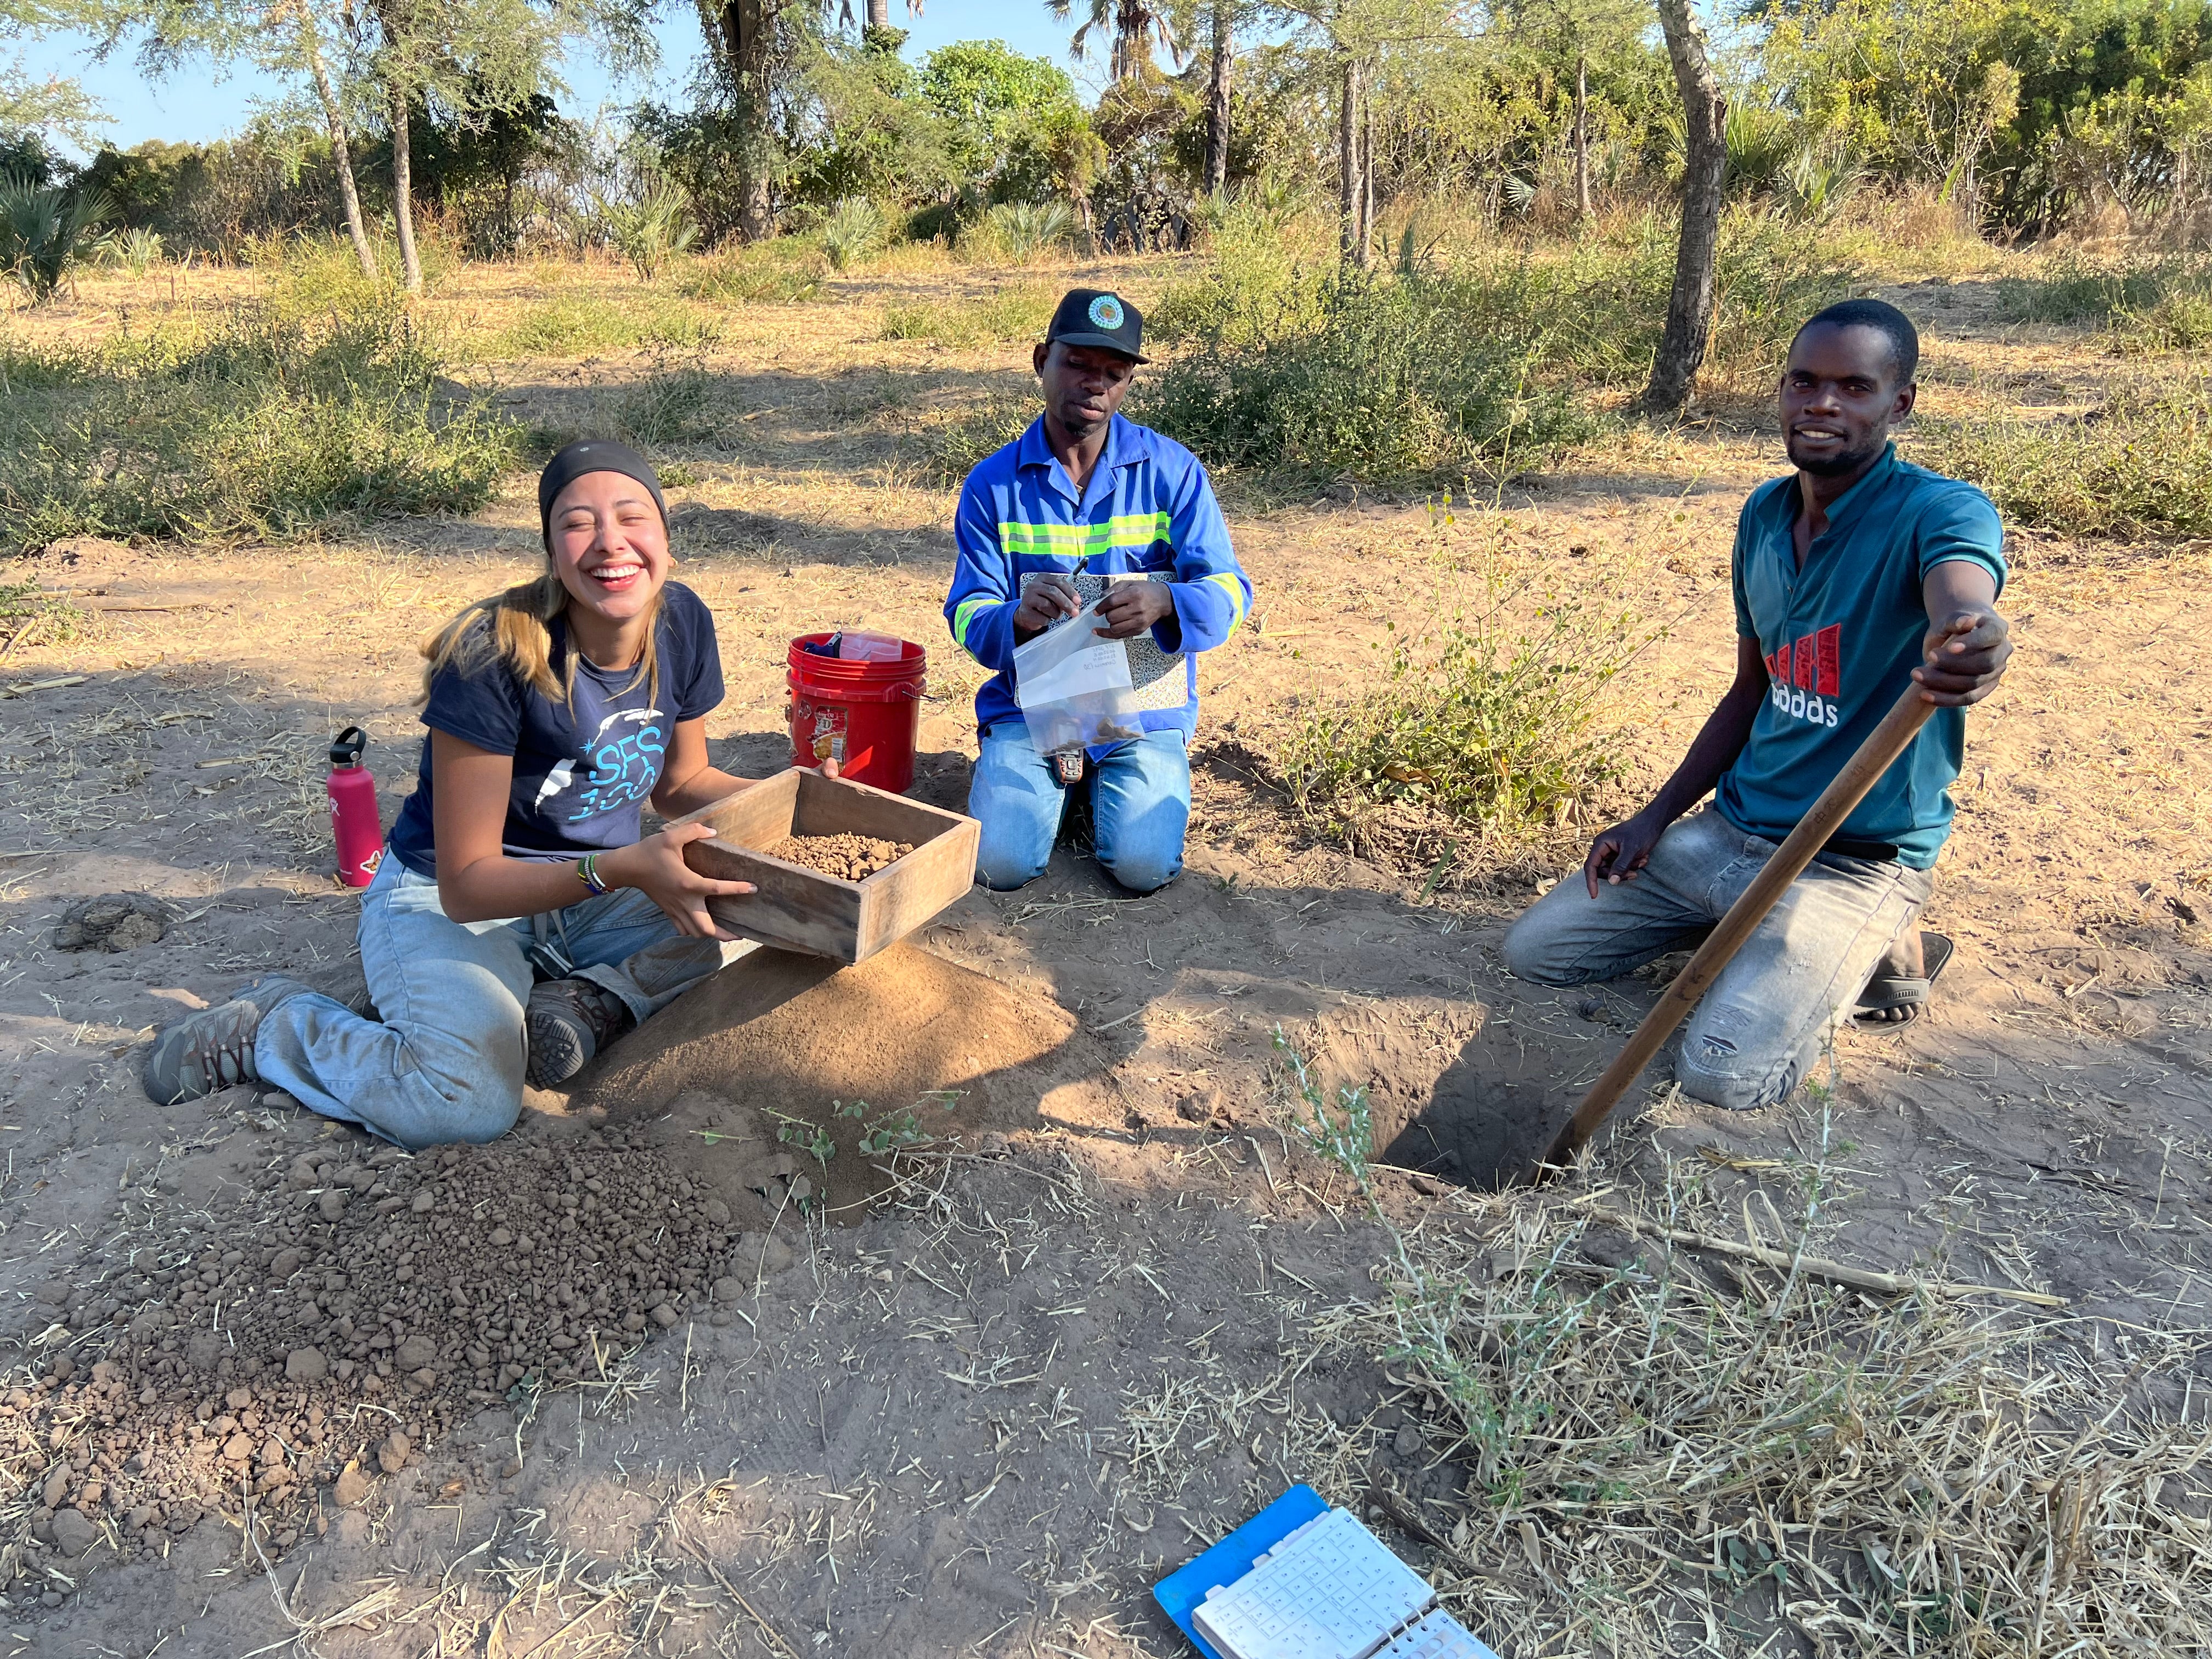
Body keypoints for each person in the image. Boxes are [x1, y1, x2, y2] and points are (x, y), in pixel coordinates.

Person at [142, 440, 774, 1148]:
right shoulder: (493, 654)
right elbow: (468, 888)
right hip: (456, 896)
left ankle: (587, 1002)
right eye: (577, 523)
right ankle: (282, 1025)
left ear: (664, 535)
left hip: (597, 896)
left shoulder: (682, 621)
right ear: (551, 549)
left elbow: (684, 783)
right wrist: (621, 869)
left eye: (632, 517)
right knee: (462, 1107)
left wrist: (796, 792)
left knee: (768, 930)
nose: (609, 543)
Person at [1502, 298, 2013, 1111]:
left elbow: (1964, 592)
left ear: (1899, 403)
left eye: (1854, 386)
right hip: (1730, 833)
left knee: (1722, 1075)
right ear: (1780, 393)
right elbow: (1752, 689)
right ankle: (1764, 936)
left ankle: (1882, 942)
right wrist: (1655, 817)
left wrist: (1973, 633)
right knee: (1535, 953)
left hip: (1850, 860)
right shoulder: (1765, 517)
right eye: (1804, 382)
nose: (1823, 404)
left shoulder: (1939, 511)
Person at [943, 287, 1252, 894]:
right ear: (1041, 361)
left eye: (1113, 373)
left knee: (1141, 868)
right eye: (1077, 365)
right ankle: (1059, 777)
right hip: (1032, 709)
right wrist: (1016, 619)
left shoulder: (1174, 471)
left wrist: (1168, 603)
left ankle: (1093, 786)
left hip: (1144, 712)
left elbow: (1231, 590)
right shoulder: (991, 484)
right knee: (996, 865)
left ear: (1129, 383)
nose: (1095, 384)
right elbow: (967, 609)